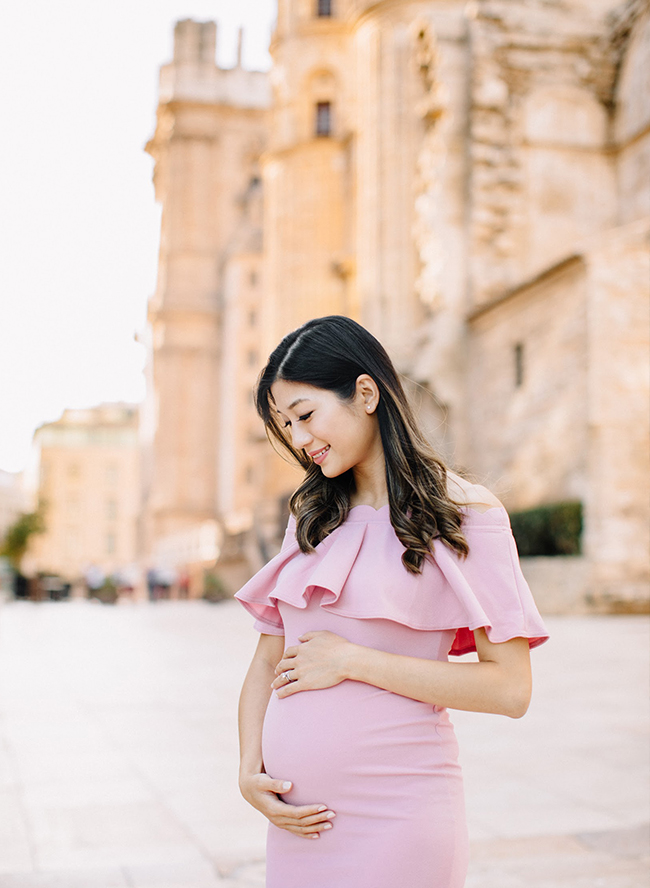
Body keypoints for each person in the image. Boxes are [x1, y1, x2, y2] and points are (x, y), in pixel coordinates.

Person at [236, 316, 548, 888]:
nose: (300, 440)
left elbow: (511, 688)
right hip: (298, 828)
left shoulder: (467, 514)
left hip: (400, 817)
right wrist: (248, 768)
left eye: (305, 415)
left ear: (365, 392)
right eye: (286, 426)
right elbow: (266, 661)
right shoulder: (309, 518)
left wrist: (355, 661)